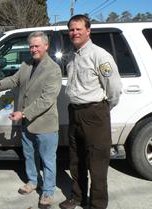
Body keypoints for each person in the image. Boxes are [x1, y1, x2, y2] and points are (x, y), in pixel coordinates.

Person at [0, 31, 62, 209]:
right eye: (31, 46)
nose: (33, 49)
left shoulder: (53, 69)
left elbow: (47, 99)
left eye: (37, 46)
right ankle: (33, 181)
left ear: (46, 46)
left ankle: (47, 191)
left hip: (45, 124)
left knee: (48, 160)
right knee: (29, 155)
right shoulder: (26, 64)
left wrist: (23, 113)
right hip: (27, 124)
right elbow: (14, 80)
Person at [59, 15, 122, 209]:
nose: (74, 33)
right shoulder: (71, 56)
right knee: (76, 160)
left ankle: (97, 205)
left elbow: (114, 88)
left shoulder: (100, 56)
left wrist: (102, 109)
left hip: (94, 114)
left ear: (88, 31)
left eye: (79, 29)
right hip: (75, 112)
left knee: (97, 165)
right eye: (71, 29)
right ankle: (78, 197)